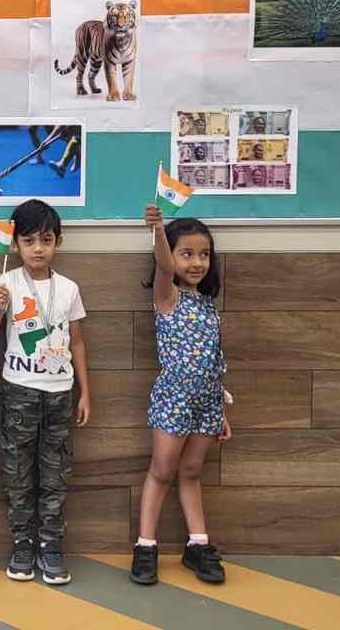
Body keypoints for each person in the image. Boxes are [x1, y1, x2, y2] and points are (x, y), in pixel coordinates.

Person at [0, 199, 90, 586]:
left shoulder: (69, 288)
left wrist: (85, 391)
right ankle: (22, 544)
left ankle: (51, 545)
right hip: (19, 392)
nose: (38, 248)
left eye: (46, 240)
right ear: (15, 245)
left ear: (59, 241)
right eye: (28, 241)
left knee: (55, 473)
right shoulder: (7, 283)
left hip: (60, 393)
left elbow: (77, 341)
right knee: (17, 473)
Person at [131, 207, 232, 587]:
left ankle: (197, 545)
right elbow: (162, 265)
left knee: (191, 472)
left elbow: (213, 360)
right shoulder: (168, 296)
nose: (197, 262)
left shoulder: (207, 304)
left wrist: (220, 408)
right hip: (173, 399)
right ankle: (145, 546)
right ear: (172, 256)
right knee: (162, 471)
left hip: (207, 403)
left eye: (204, 254)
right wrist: (158, 229)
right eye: (186, 253)